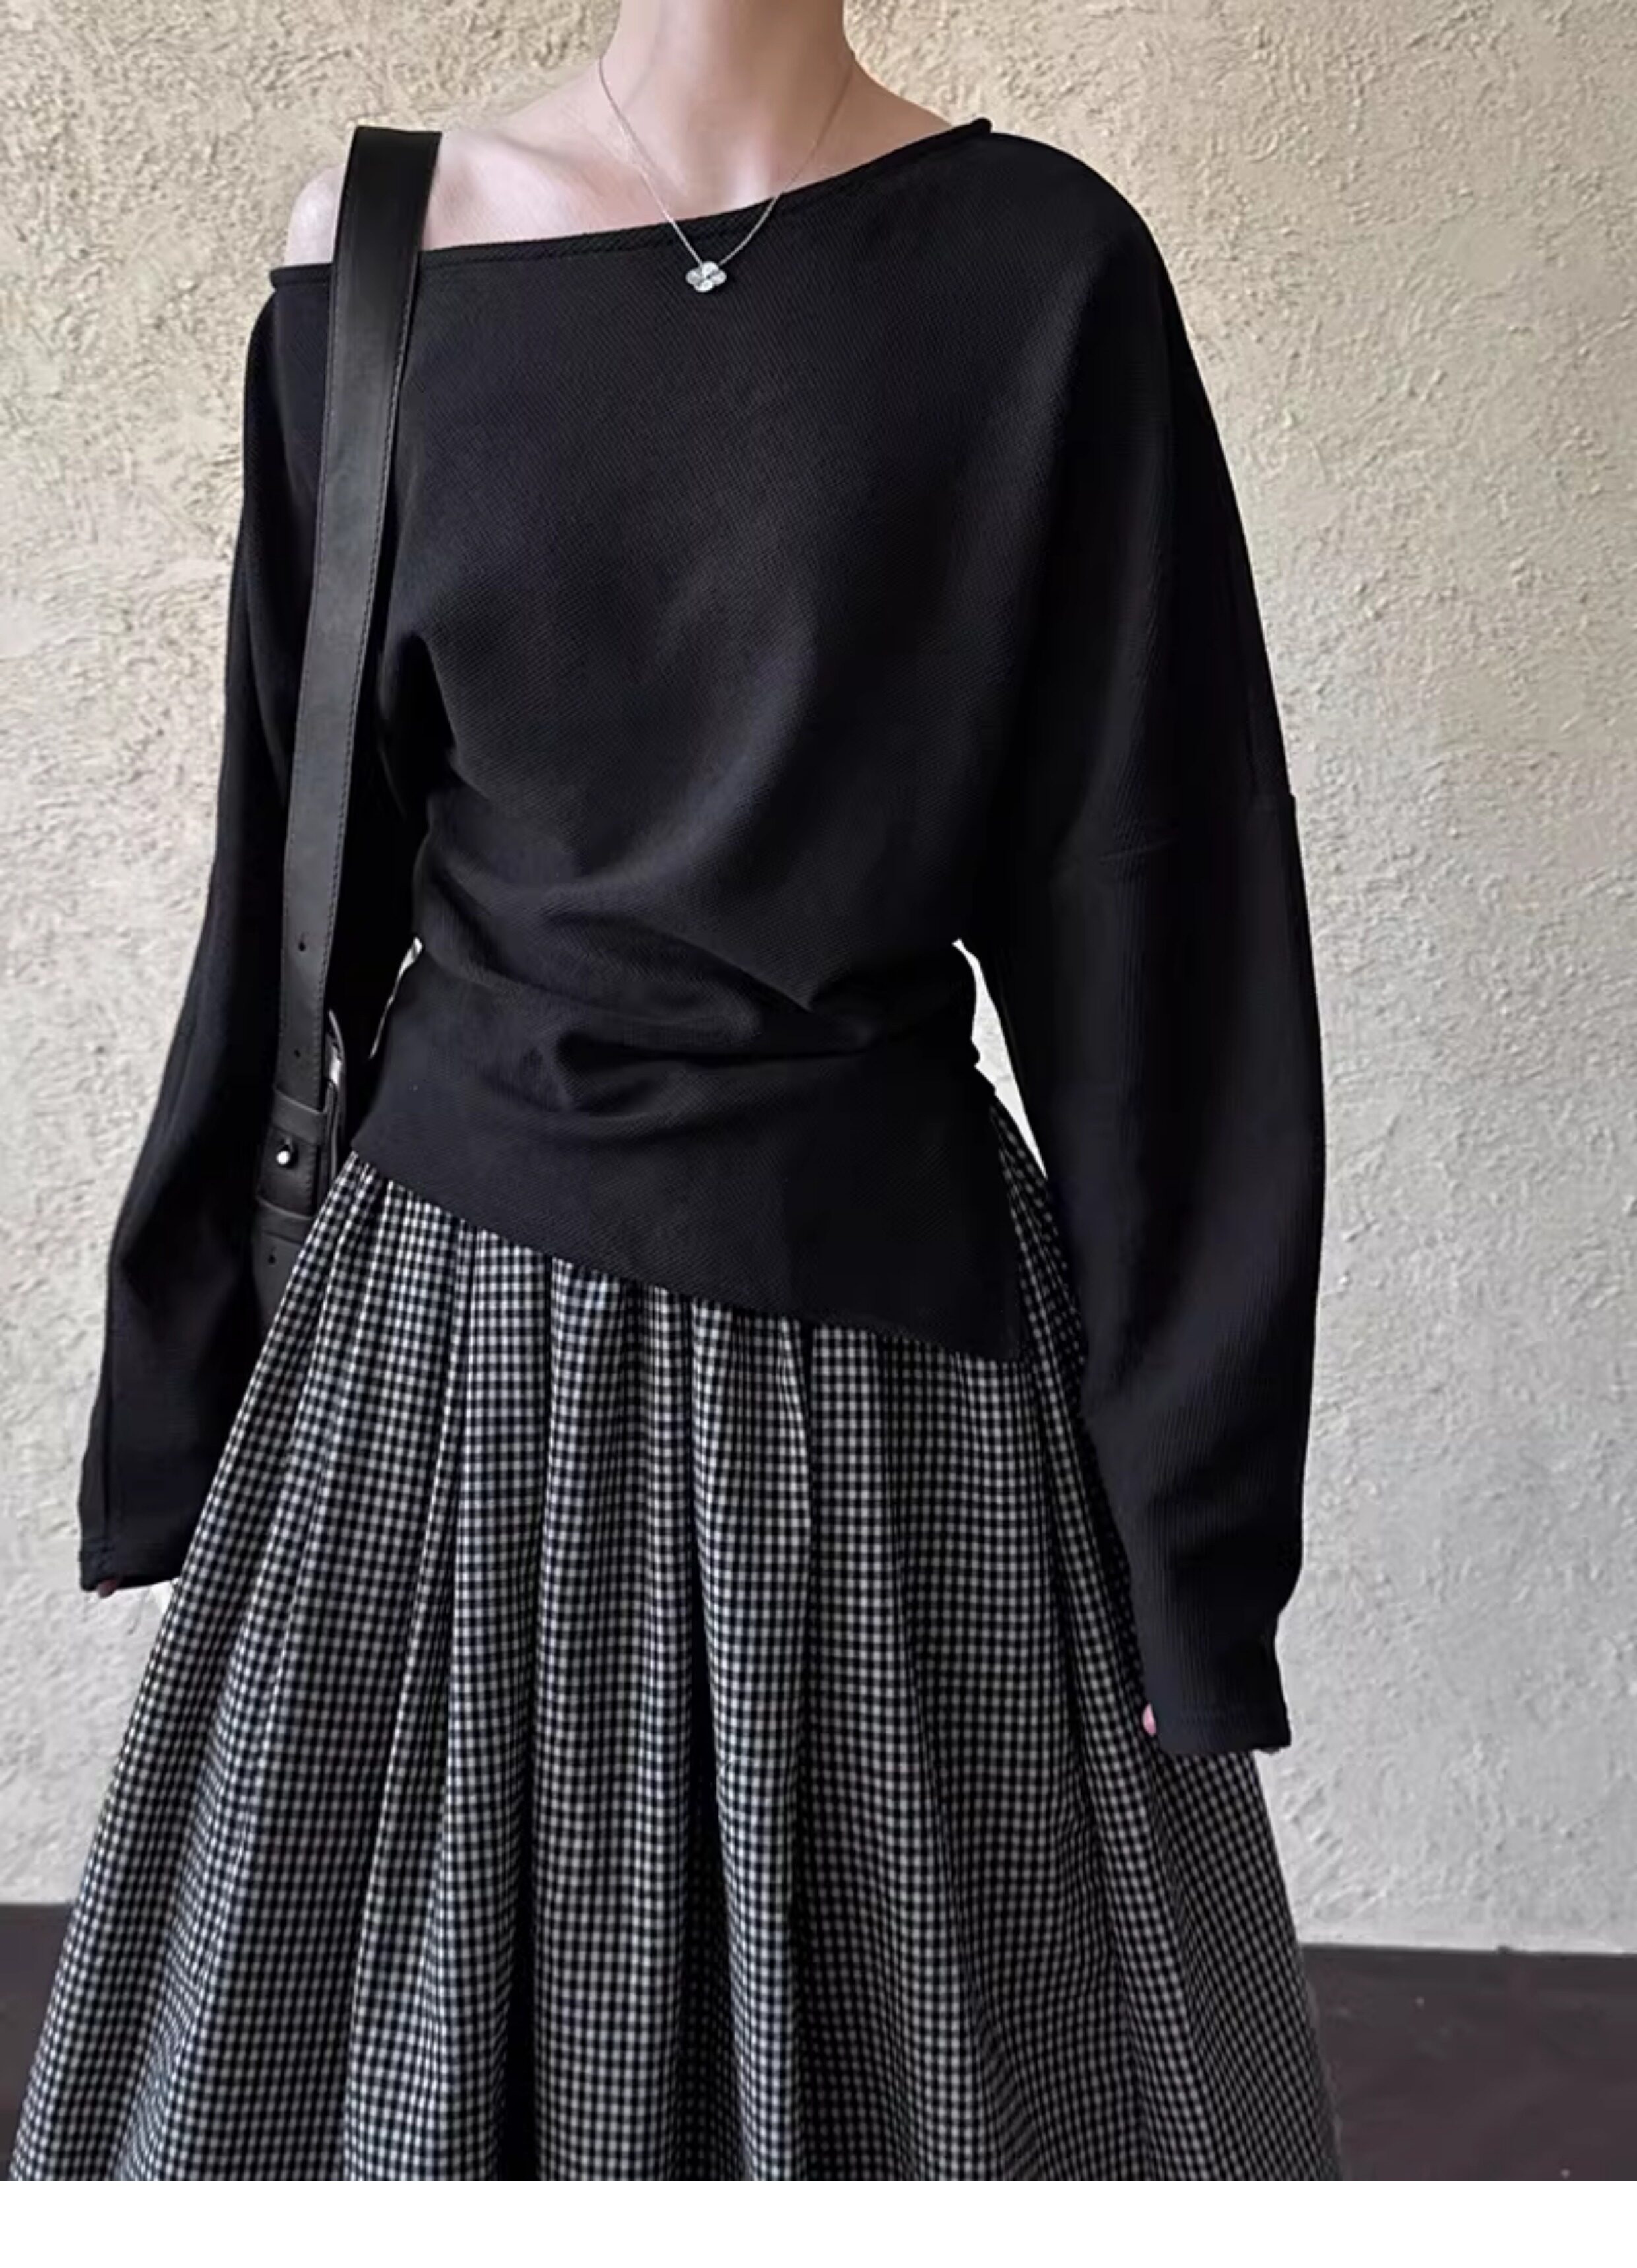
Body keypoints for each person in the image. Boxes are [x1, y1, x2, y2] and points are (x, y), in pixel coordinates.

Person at [11, 0, 1342, 2180]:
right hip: (446, 1366)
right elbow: (292, 881)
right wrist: (182, 1387)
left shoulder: (1045, 272)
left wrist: (1196, 1547)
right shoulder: (378, 254)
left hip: (894, 1380)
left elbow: (1160, 925)